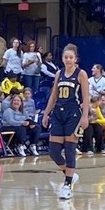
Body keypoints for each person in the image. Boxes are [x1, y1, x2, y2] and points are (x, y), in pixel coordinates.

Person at [38, 44, 89, 200]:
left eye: (71, 57)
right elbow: (53, 96)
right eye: (65, 57)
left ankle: (67, 185)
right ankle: (70, 175)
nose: (68, 60)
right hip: (58, 114)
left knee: (69, 150)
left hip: (73, 114)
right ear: (62, 58)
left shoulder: (81, 74)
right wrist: (46, 115)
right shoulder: (59, 74)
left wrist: (85, 116)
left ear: (75, 59)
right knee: (53, 151)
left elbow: (86, 97)